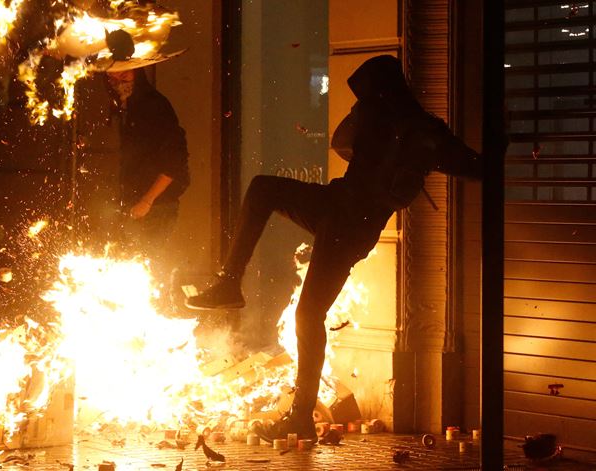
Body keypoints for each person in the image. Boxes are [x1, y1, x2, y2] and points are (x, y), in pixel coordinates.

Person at [185, 55, 486, 440]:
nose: (362, 101)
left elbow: (471, 166)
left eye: (365, 95)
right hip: (336, 204)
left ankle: (301, 416)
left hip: (351, 226)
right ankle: (229, 283)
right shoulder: (413, 127)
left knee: (308, 314)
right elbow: (343, 142)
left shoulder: (418, 132)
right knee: (262, 189)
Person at [106, 68, 189, 291]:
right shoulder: (126, 107)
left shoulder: (155, 106)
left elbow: (175, 160)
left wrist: (147, 200)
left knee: (149, 271)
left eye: (125, 75)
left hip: (157, 207)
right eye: (113, 77)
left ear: (137, 74)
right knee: (127, 269)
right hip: (134, 205)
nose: (118, 81)